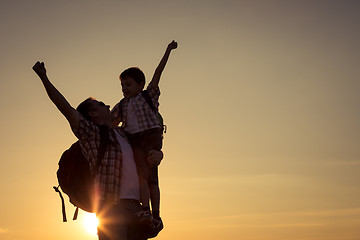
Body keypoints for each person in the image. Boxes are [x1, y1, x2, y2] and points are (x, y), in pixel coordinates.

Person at [32, 61, 163, 240]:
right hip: (111, 208)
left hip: (137, 208)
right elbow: (66, 109)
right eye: (101, 104)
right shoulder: (93, 135)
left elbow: (145, 147)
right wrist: (44, 78)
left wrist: (159, 153)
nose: (108, 106)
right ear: (93, 114)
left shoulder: (124, 133)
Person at [111, 40, 177, 230]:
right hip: (135, 141)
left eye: (128, 84)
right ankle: (145, 210)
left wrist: (168, 51)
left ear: (140, 84)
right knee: (143, 177)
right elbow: (110, 121)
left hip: (150, 137)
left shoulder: (148, 96)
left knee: (152, 179)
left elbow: (158, 73)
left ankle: (156, 213)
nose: (124, 88)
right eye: (122, 85)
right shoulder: (122, 105)